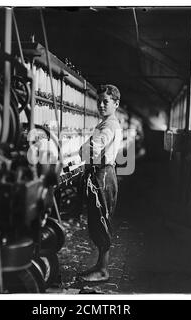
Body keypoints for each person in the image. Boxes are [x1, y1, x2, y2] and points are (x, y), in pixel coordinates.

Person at [78, 84, 122, 282]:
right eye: (99, 101)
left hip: (103, 175)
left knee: (101, 220)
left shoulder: (109, 126)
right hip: (103, 173)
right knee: (99, 219)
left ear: (116, 104)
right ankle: (99, 266)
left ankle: (103, 270)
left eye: (106, 102)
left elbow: (91, 150)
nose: (101, 105)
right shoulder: (105, 123)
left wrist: (83, 149)